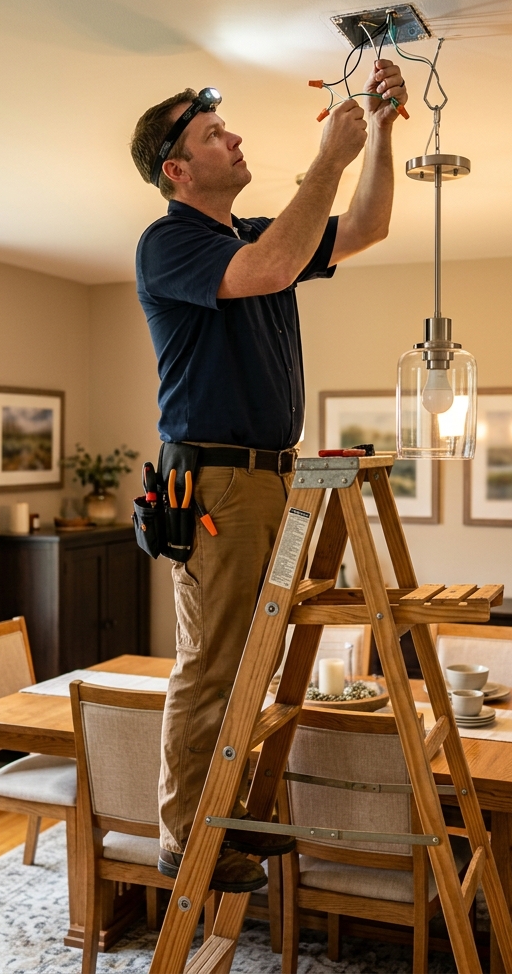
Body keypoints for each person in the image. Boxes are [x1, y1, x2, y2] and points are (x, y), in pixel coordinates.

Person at [130, 59, 408, 893]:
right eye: (215, 134)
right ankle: (187, 838)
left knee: (256, 657)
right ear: (177, 170)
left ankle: (236, 815)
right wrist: (327, 159)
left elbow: (365, 229)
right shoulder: (170, 241)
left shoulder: (249, 232)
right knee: (214, 663)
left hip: (269, 477)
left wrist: (381, 133)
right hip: (217, 483)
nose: (235, 136)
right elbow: (269, 272)